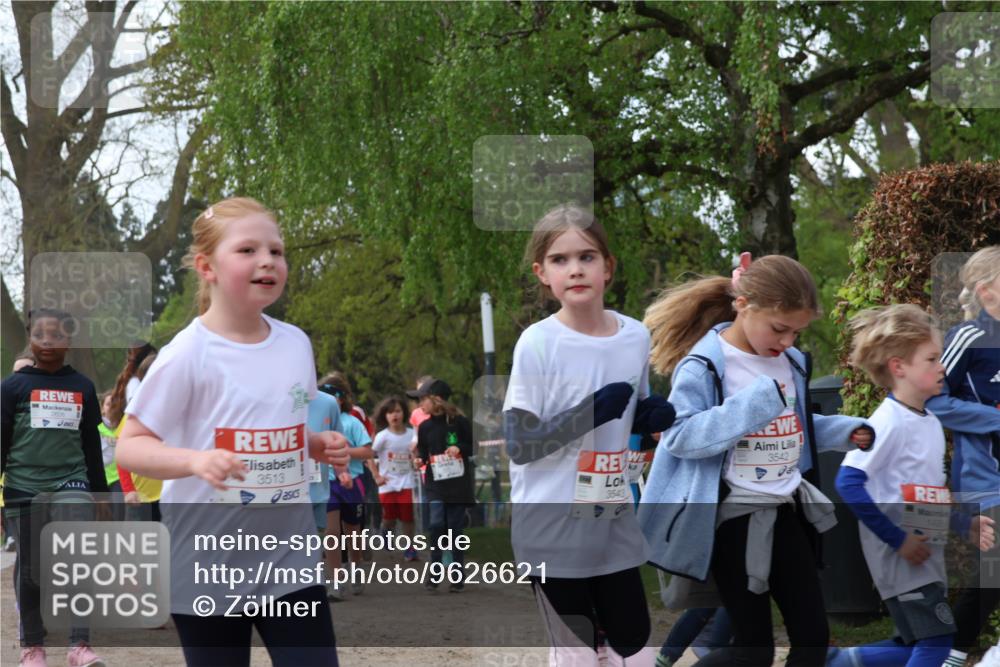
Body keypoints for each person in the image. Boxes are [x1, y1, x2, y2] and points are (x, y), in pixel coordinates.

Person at [116, 197, 350, 667]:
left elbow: (279, 429)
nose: (268, 260)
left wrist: (315, 444)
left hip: (289, 563)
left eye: (276, 251)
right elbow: (130, 446)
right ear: (208, 267)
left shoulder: (295, 344)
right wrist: (196, 460)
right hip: (206, 566)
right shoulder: (187, 353)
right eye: (247, 250)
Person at [639, 252, 874, 667]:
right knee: (753, 650)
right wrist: (754, 404)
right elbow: (679, 437)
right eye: (780, 329)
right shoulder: (704, 365)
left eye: (797, 333)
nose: (788, 342)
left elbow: (795, 425)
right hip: (733, 521)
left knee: (813, 638)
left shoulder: (792, 362)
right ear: (743, 305)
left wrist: (845, 431)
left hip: (787, 509)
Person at [501, 204, 675, 664]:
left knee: (634, 651)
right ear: (542, 273)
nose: (575, 269)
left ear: (608, 266)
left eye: (587, 256)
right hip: (551, 529)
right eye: (560, 260)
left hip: (610, 519)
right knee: (578, 657)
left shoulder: (634, 336)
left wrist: (647, 419)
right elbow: (520, 444)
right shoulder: (538, 342)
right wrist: (586, 414)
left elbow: (628, 415)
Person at [831, 304, 996, 667]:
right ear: (898, 367)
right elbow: (848, 482)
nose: (943, 368)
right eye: (932, 359)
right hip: (900, 555)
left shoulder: (930, 420)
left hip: (923, 551)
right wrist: (898, 540)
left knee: (915, 646)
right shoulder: (887, 422)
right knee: (937, 643)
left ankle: (839, 661)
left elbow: (929, 496)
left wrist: (963, 524)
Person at [1, 308, 109, 667]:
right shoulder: (12, 387)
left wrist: (100, 493)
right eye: (40, 335)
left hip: (71, 481)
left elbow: (91, 444)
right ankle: (33, 648)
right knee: (31, 569)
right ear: (30, 339)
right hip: (24, 485)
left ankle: (79, 646)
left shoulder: (82, 387)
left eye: (56, 335)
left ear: (69, 340)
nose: (47, 342)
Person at [925, 246, 1000, 666]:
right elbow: (931, 400)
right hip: (985, 478)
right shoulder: (968, 337)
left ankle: (947, 654)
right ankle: (948, 655)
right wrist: (992, 418)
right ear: (987, 291)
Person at [411, 378, 476, 592]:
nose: (420, 404)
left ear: (437, 399)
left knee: (455, 529)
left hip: (457, 484)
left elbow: (472, 445)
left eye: (423, 399)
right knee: (436, 523)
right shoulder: (425, 427)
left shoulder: (459, 422)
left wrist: (459, 448)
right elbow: (422, 451)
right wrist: (419, 460)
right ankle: (435, 570)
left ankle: (457, 575)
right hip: (435, 484)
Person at [318, 372, 373, 599]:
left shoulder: (351, 422)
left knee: (352, 532)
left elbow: (368, 451)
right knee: (331, 532)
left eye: (332, 395)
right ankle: (336, 582)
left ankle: (356, 565)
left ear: (342, 398)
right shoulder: (317, 422)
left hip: (352, 482)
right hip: (326, 481)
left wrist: (343, 451)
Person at [370, 395, 419, 561]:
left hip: (406, 481)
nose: (394, 415)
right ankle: (385, 531)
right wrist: (376, 476)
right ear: (385, 416)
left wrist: (416, 460)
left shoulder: (412, 434)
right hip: (387, 483)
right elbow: (369, 456)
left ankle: (410, 548)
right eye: (390, 412)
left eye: (397, 411)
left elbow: (417, 454)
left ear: (404, 413)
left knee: (407, 517)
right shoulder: (382, 436)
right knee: (390, 518)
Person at [306, 373, 341, 598]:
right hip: (283, 492)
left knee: (321, 539)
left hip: (319, 487)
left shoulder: (328, 403)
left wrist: (342, 472)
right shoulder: (274, 400)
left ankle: (322, 583)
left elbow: (338, 440)